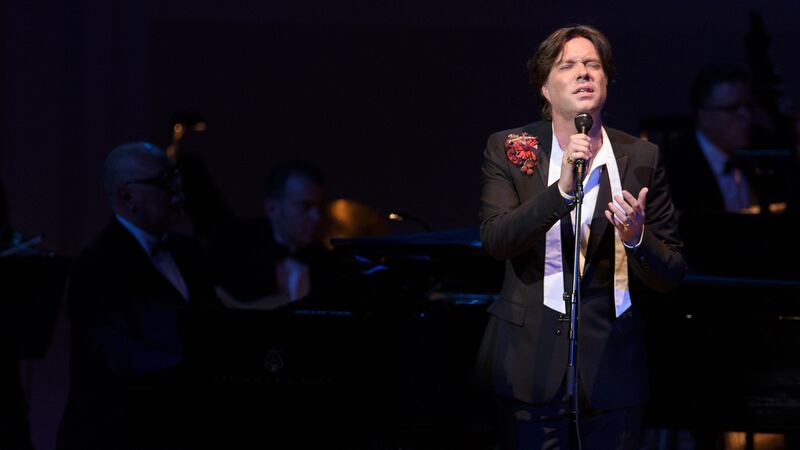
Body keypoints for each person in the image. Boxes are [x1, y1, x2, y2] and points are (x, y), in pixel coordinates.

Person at [474, 25, 686, 449]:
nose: (584, 73)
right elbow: (496, 239)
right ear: (545, 87)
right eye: (568, 65)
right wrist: (562, 192)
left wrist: (636, 237)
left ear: (606, 81)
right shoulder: (511, 148)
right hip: (528, 367)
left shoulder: (641, 157)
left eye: (593, 65)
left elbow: (672, 272)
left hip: (613, 369)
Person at [57, 142, 216, 449]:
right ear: (127, 197)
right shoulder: (96, 264)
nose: (178, 188)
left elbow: (212, 322)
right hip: (117, 435)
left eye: (176, 176)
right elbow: (117, 356)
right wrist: (200, 365)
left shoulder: (188, 252)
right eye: (164, 181)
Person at [210, 161, 333, 309]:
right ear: (272, 208)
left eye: (320, 207)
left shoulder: (329, 264)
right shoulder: (235, 251)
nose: (316, 217)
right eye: (305, 206)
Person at [664, 66, 755, 215]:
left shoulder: (761, 151)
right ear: (704, 116)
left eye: (748, 107)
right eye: (733, 108)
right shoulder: (676, 166)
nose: (746, 117)